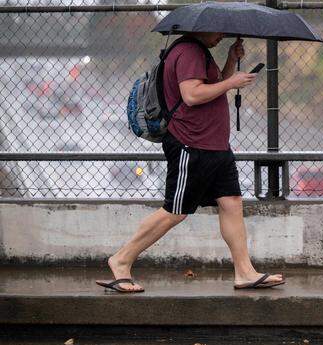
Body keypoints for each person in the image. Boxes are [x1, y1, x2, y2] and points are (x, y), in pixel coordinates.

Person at [96, 32, 284, 292]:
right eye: (218, 32)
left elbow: (212, 85)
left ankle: (244, 272)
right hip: (191, 144)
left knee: (231, 203)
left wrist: (230, 61)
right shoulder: (188, 52)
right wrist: (232, 83)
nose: (221, 36)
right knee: (175, 210)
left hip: (215, 145)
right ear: (202, 28)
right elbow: (192, 95)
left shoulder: (199, 51)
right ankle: (121, 260)